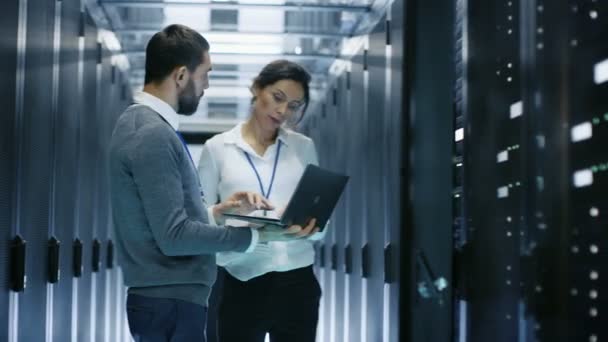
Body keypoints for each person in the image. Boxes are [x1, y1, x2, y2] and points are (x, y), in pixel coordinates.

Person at [109, 25, 317, 342]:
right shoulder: (151, 133)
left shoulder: (150, 128)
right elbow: (174, 235)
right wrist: (250, 237)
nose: (206, 85)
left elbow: (169, 222)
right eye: (205, 74)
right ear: (181, 76)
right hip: (171, 301)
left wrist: (218, 212)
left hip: (171, 300)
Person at [198, 60, 327, 342]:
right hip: (240, 279)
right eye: (277, 98)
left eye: (294, 105)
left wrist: (309, 225)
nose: (283, 111)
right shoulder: (218, 148)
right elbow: (200, 220)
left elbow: (322, 220)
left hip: (298, 280)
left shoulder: (304, 148)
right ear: (257, 88)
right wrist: (228, 210)